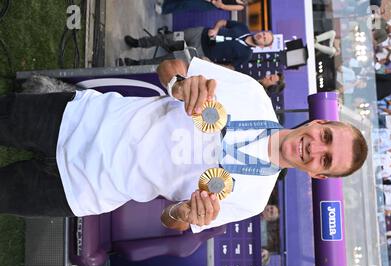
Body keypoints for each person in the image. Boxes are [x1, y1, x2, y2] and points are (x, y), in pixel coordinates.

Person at [0, 58, 368, 234]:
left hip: (82, 190)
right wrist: (178, 82)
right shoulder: (252, 94)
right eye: (327, 137)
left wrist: (185, 215)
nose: (315, 148)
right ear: (319, 123)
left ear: (318, 173)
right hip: (82, 119)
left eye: (326, 159)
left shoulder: (254, 200)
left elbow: (168, 221)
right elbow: (171, 65)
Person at [123, 19, 274, 69]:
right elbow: (223, 22)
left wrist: (209, 64)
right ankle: (137, 43)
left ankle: (137, 64)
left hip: (200, 54)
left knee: (167, 60)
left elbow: (230, 67)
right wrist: (215, 29)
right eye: (264, 33)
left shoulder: (246, 55)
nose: (262, 35)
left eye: (265, 38)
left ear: (262, 46)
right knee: (167, 38)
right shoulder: (243, 28)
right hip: (198, 34)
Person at [155, 0, 246, 15]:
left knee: (186, 4)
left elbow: (223, 6)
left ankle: (163, 10)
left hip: (210, 4)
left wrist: (212, 1)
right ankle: (164, 2)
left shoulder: (240, 6)